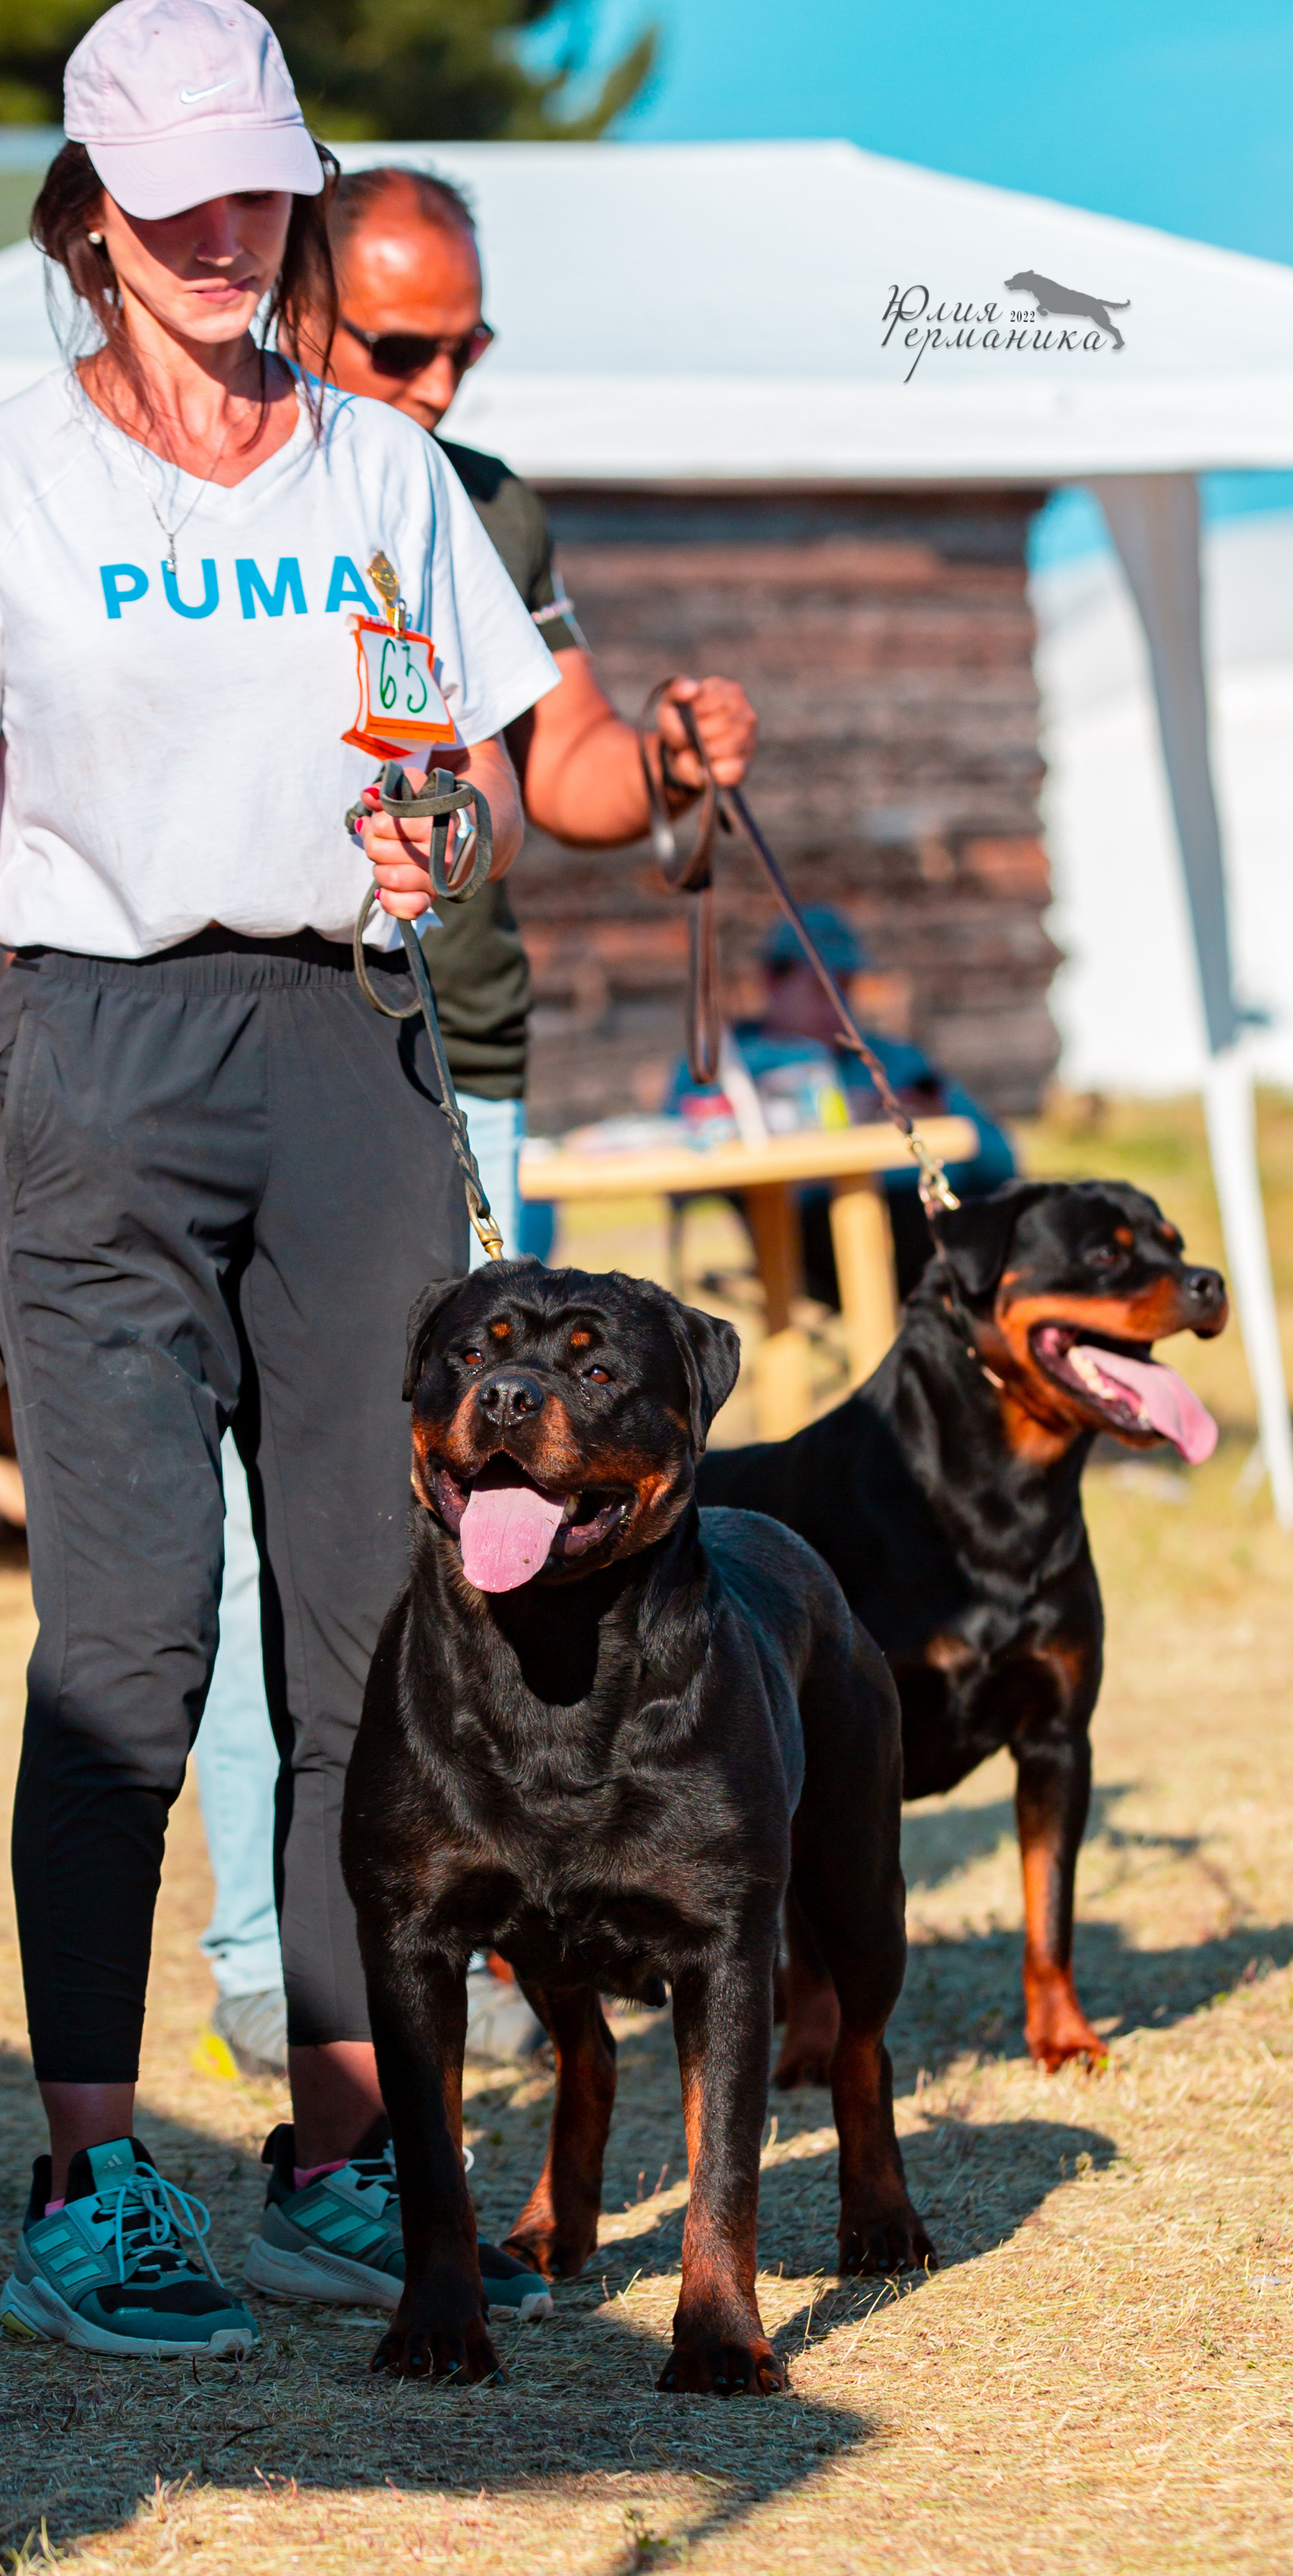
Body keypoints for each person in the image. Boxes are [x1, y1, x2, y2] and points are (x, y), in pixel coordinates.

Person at [0, 0, 563, 2362]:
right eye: (173, 202)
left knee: (373, 1627)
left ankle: (349, 2146)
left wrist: (437, 828)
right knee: (126, 1643)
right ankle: (84, 2171)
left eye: (254, 188)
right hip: (96, 1054)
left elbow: (464, 780)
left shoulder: (381, 471)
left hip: (347, 1055)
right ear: (88, 213)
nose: (222, 235)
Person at [192, 162, 760, 2077]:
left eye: (468, 342)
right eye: (398, 345)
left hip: (471, 1066)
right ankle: (280, 1955)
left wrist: (665, 753)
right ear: (295, 311)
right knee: (287, 1530)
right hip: (275, 1044)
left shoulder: (486, 502)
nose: (439, 381)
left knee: (486, 1520)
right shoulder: (228, 483)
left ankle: (503, 1909)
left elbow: (570, 773)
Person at [676, 902, 1017, 1305]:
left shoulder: (891, 1059)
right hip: (810, 1243)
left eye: (847, 985)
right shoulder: (723, 1065)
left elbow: (997, 1155)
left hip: (936, 1223)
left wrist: (930, 1121)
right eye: (821, 987)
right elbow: (685, 1156)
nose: (837, 1003)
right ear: (771, 982)